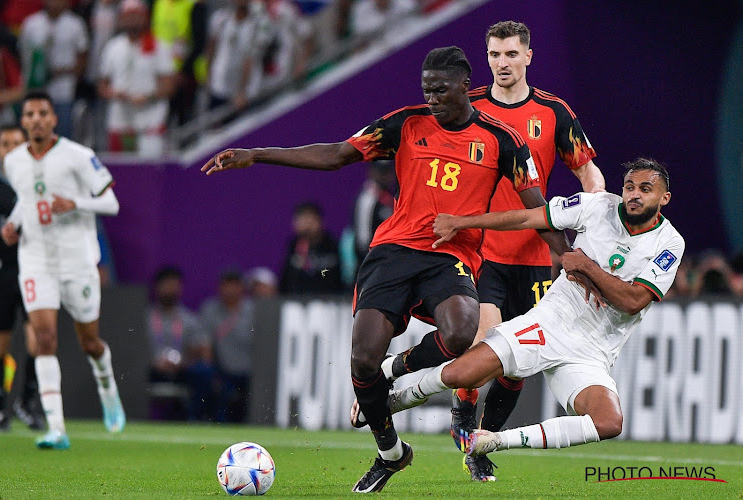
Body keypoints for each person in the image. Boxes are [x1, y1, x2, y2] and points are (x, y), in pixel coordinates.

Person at [202, 46, 574, 493]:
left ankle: (397, 368)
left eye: (440, 90)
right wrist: (256, 154)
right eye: (426, 90)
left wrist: (570, 258)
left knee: (461, 334)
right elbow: (338, 153)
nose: (432, 98)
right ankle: (391, 454)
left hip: (451, 256)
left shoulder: (502, 140)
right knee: (362, 360)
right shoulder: (405, 123)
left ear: (463, 85)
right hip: (393, 252)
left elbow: (537, 208)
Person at [386, 158, 684, 469]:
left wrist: (587, 267)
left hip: (593, 351)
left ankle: (492, 440)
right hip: (551, 322)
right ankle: (401, 398)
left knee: (608, 421)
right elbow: (527, 218)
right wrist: (463, 222)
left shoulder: (670, 243)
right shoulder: (597, 206)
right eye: (629, 187)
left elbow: (634, 300)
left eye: (645, 189)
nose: (634, 195)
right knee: (461, 375)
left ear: (664, 198)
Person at [445, 20, 606, 481]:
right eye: (494, 55)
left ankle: (482, 443)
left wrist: (593, 217)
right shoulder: (469, 106)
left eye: (511, 55)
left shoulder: (554, 113)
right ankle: (463, 405)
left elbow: (588, 174)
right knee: (483, 345)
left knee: (518, 366)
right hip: (482, 252)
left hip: (537, 256)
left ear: (528, 56)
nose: (502, 64)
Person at [0, 90, 125, 449]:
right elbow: (27, 201)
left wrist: (76, 203)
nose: (37, 119)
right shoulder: (14, 161)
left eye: (43, 113)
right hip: (35, 259)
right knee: (44, 338)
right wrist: (12, 224)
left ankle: (107, 386)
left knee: (90, 342)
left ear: (54, 119)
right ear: (23, 122)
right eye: (30, 114)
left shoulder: (79, 156)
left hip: (76, 259)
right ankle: (57, 429)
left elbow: (112, 202)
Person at [0, 124, 45, 432]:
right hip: (1, 271)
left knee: (38, 338)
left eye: (17, 142)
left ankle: (26, 402)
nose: (11, 148)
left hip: (35, 269)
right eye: (5, 143)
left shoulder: (38, 184)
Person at [98, 0, 175, 156]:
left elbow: (169, 85)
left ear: (145, 18)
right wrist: (114, 94)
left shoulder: (159, 46)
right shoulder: (113, 47)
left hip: (150, 121)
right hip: (120, 121)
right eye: (128, 16)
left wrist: (147, 97)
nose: (132, 20)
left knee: (148, 169)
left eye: (137, 16)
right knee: (122, 169)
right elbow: (102, 85)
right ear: (121, 19)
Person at [146, 265, 212, 421]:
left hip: (181, 370)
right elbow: (133, 349)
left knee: (203, 372)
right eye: (167, 284)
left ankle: (195, 420)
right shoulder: (145, 317)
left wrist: (183, 363)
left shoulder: (189, 319)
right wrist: (153, 362)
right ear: (157, 287)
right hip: (152, 370)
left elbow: (202, 349)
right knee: (131, 371)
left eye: (174, 285)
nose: (171, 289)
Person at [19, 0, 89, 139]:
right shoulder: (31, 23)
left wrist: (62, 72)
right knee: (35, 135)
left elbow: (83, 57)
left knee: (62, 135)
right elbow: (23, 56)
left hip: (63, 89)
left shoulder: (75, 24)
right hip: (35, 89)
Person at [199, 268, 254, 422]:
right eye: (226, 285)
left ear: (241, 287)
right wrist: (212, 370)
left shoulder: (254, 310)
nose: (230, 290)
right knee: (204, 375)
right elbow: (205, 344)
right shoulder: (210, 310)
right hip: (223, 372)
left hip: (250, 373)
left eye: (234, 285)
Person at [280, 201, 344, 295]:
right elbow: (286, 282)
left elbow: (341, 278)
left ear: (320, 221)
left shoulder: (333, 246)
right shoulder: (292, 247)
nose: (307, 225)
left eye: (311, 219)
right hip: (297, 303)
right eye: (302, 219)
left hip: (330, 302)